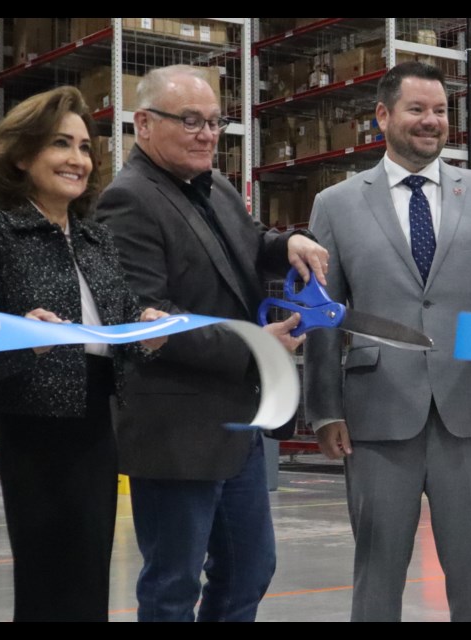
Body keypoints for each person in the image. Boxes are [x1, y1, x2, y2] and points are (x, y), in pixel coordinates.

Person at [304, 61, 471, 622]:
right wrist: (323, 409)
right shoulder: (337, 204)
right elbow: (322, 315)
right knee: (377, 578)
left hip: (468, 412)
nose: (432, 121)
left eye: (441, 111)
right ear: (383, 116)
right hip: (376, 417)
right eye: (417, 109)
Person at [94, 65, 328, 622]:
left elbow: (246, 244)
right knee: (174, 584)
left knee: (250, 568)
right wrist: (254, 344)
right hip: (177, 427)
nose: (206, 135)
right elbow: (150, 321)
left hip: (235, 421)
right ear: (144, 124)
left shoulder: (215, 186)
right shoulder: (128, 201)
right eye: (191, 121)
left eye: (215, 122)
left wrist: (287, 241)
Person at [0, 86, 168, 621]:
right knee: (47, 579)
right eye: (60, 144)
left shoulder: (97, 239)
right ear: (23, 155)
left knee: (90, 577)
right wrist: (22, 342)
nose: (78, 159)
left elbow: (121, 331)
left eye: (84, 146)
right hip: (34, 428)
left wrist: (148, 331)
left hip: (98, 423)